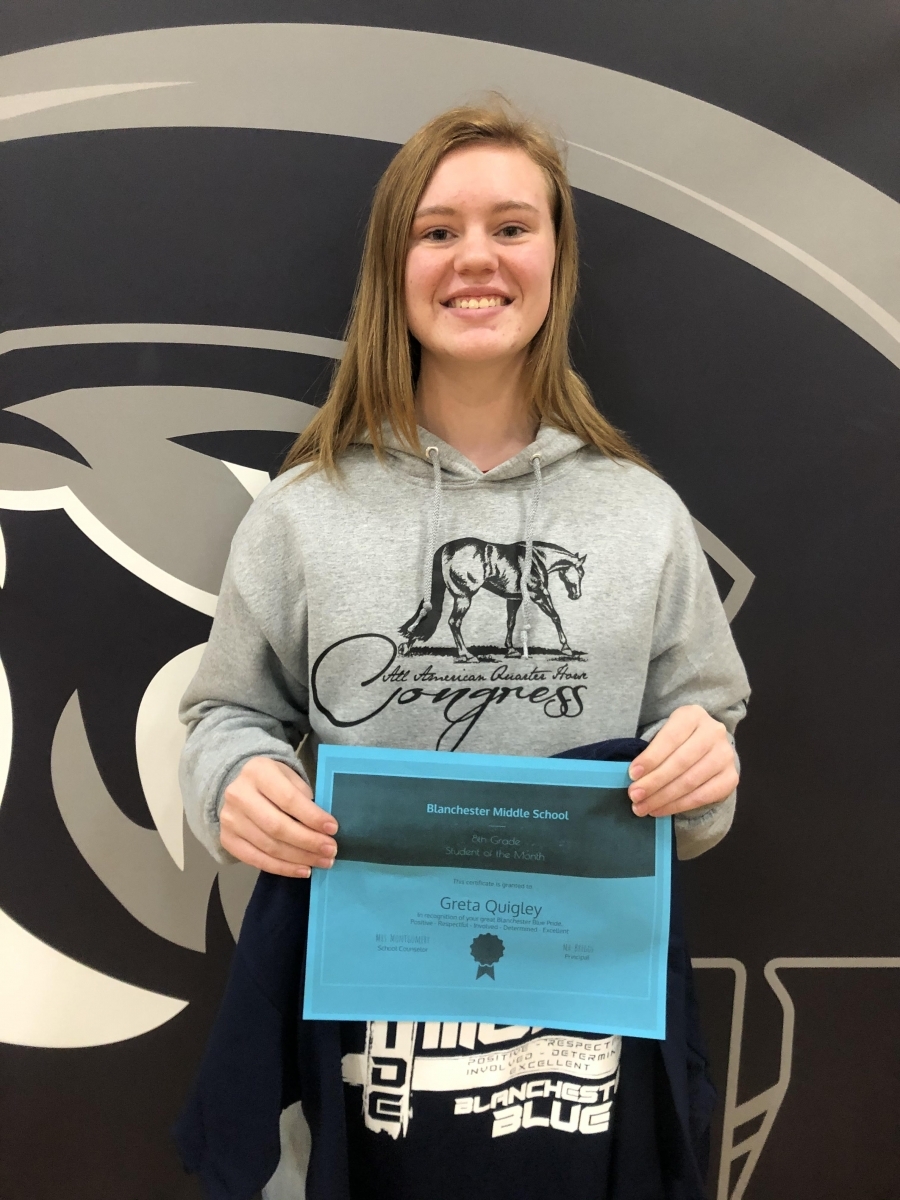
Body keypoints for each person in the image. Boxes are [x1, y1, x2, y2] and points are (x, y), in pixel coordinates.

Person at [179, 99, 749, 1200]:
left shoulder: (641, 515)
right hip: (366, 1043)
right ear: (393, 267)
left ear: (556, 260)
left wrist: (703, 767)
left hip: (581, 1051)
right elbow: (227, 714)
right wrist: (235, 781)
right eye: (436, 231)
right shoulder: (306, 513)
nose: (474, 258)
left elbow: (706, 734)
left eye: (511, 226)